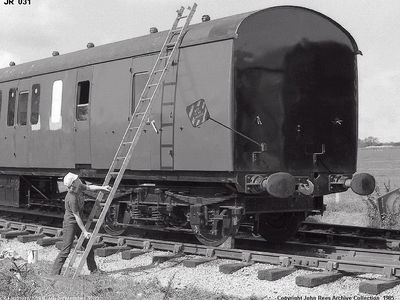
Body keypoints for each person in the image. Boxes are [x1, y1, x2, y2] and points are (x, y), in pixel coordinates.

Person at [51, 172, 111, 275]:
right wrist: (84, 231)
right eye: (77, 179)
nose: (79, 179)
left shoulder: (79, 187)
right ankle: (54, 274)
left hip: (77, 223)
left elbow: (89, 187)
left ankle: (93, 270)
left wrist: (102, 188)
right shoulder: (71, 198)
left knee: (88, 246)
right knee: (66, 250)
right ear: (74, 183)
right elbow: (76, 216)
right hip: (70, 224)